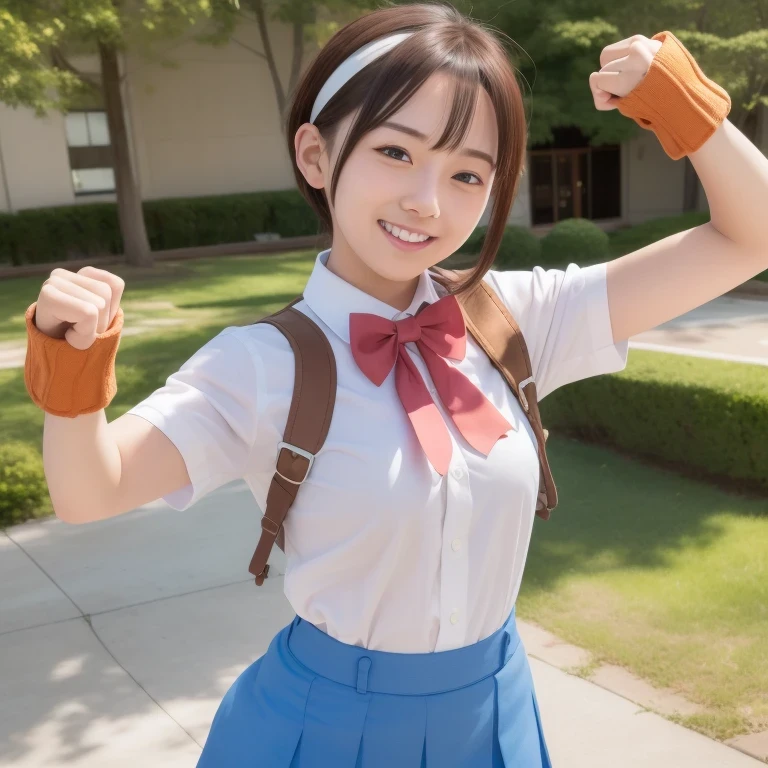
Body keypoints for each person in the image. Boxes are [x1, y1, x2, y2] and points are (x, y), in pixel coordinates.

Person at [26, 1, 733, 764]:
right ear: (316, 156)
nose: (427, 202)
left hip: (493, 714)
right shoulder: (262, 363)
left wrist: (687, 108)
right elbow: (88, 492)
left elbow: (747, 234)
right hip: (321, 728)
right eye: (396, 153)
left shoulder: (515, 319)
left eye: (467, 173)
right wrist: (72, 362)